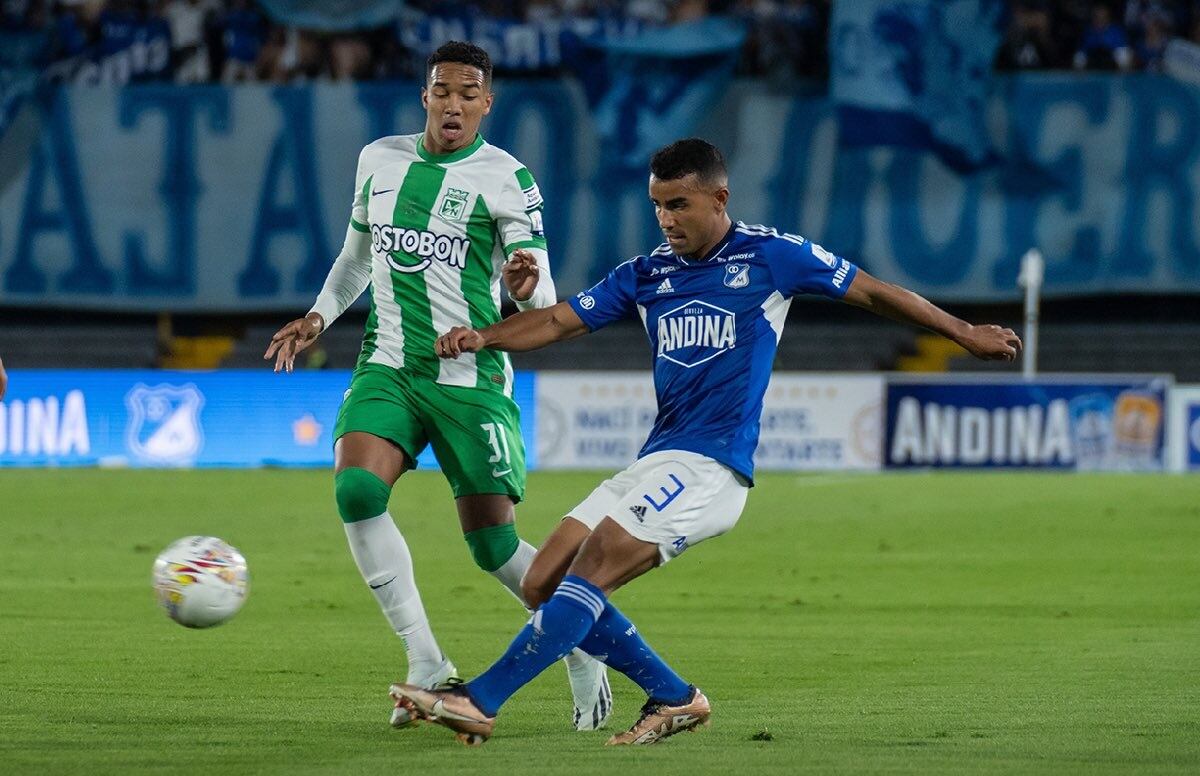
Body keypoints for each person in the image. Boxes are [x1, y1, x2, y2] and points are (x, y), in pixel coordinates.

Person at [391, 138, 1021, 746]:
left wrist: (964, 331)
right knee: (544, 580)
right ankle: (673, 695)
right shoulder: (646, 273)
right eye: (658, 206)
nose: (666, 219)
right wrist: (485, 335)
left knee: (598, 560)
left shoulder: (773, 256)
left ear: (719, 198)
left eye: (679, 205)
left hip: (713, 464)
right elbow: (558, 320)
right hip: (658, 457)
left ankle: (480, 699)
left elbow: (875, 291)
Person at [263, 40, 609, 731]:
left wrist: (523, 284)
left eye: (467, 93)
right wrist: (318, 315)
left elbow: (541, 290)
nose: (453, 104)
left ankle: (582, 648)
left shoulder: (507, 178)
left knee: (493, 547)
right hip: (389, 363)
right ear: (425, 95)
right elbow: (357, 255)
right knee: (356, 489)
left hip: (469, 377)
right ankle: (425, 662)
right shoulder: (378, 160)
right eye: (441, 90)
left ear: (487, 103)